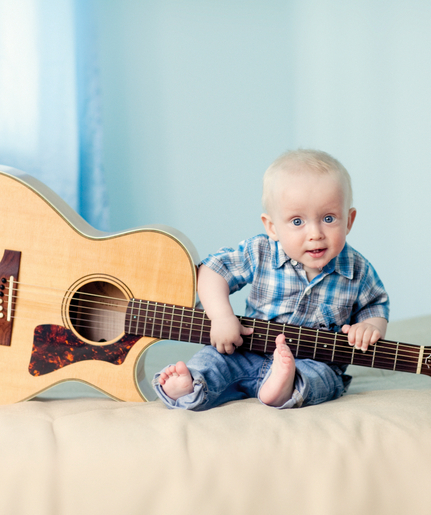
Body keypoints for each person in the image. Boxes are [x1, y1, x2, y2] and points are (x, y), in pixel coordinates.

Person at [153, 149, 389, 410]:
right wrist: (221, 317)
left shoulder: (357, 269)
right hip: (247, 351)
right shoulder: (260, 252)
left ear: (349, 221)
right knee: (214, 359)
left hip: (312, 361)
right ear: (272, 227)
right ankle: (190, 386)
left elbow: (375, 305)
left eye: (329, 218)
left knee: (323, 378)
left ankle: (285, 386)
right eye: (297, 221)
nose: (315, 233)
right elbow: (212, 271)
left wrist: (370, 327)